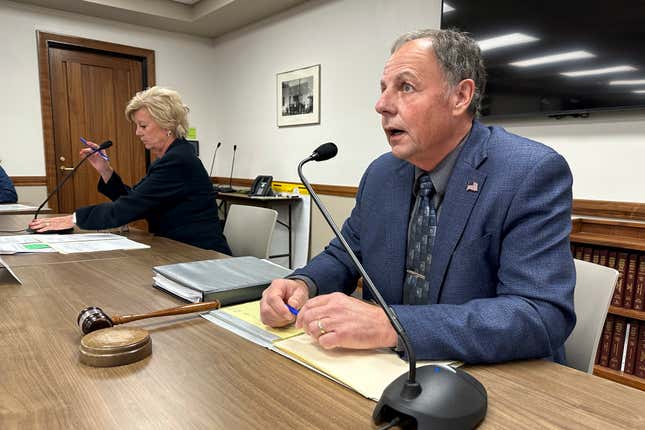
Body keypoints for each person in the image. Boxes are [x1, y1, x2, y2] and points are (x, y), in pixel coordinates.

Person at [260, 29, 576, 364]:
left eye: (405, 87)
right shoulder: (382, 174)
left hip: (495, 381)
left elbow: (540, 314)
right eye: (383, 89)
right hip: (386, 369)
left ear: (460, 96)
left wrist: (393, 325)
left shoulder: (529, 172)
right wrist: (303, 283)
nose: (381, 105)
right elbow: (344, 256)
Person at [29, 87, 231, 255]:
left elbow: (127, 208)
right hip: (176, 250)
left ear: (167, 124)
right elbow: (134, 200)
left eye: (143, 125)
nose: (137, 132)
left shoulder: (178, 161)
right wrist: (105, 170)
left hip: (202, 254)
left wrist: (73, 219)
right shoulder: (169, 159)